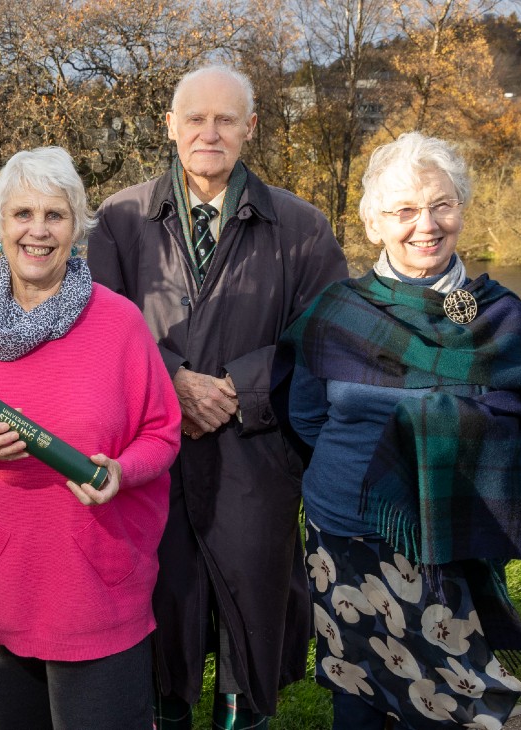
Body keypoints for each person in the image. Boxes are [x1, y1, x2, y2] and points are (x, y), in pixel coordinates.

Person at [280, 132, 521, 729]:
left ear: (462, 209)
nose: (427, 224)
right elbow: (306, 414)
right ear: (374, 225)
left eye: (442, 204)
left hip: (446, 538)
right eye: (405, 210)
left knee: (448, 703)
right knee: (357, 692)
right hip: (345, 538)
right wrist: (382, 463)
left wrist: (434, 442)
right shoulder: (337, 312)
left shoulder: (499, 315)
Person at [87, 64, 349, 729]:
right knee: (164, 641)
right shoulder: (119, 220)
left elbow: (324, 337)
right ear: (169, 127)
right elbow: (99, 327)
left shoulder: (303, 226)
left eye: (226, 119)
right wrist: (173, 381)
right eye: (196, 119)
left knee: (247, 644)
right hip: (153, 467)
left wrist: (240, 386)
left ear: (250, 128)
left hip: (254, 464)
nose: (210, 132)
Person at [0, 146, 182, 729]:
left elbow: (162, 432)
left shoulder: (119, 321)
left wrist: (121, 472)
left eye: (55, 214)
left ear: (77, 226)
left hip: (94, 588)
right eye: (22, 213)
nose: (38, 230)